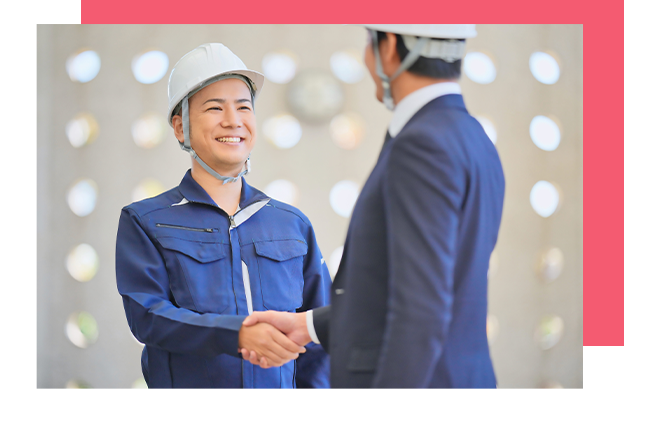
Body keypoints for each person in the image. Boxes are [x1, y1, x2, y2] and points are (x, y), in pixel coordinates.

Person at [241, 25, 505, 389]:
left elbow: (420, 312)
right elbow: (422, 289)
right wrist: (308, 326)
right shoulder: (473, 137)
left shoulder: (422, 144)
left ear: (390, 46)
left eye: (369, 41)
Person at [115, 43, 331, 389]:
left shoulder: (292, 225)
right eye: (215, 108)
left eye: (243, 107)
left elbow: (320, 334)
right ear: (181, 127)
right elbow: (148, 316)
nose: (233, 120)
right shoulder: (146, 221)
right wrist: (237, 334)